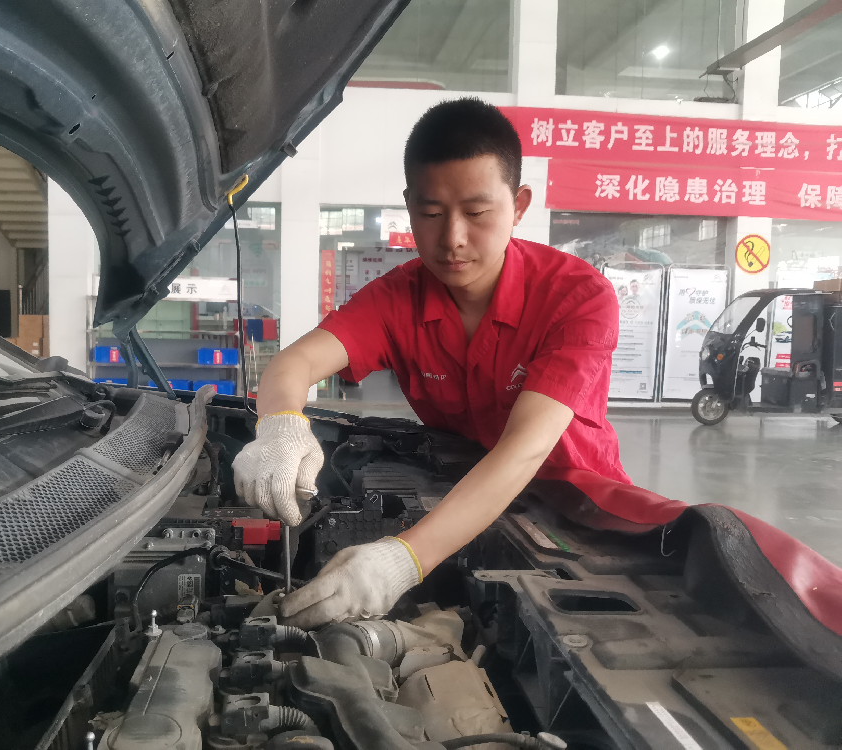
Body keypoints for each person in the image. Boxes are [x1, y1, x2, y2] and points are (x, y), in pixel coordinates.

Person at [232, 98, 630, 629]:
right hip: (465, 494)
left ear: (519, 205)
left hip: (576, 517)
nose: (452, 239)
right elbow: (294, 362)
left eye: (477, 213)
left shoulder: (577, 297)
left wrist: (403, 560)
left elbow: (525, 448)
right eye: (432, 213)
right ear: (409, 205)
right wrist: (281, 426)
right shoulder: (398, 299)